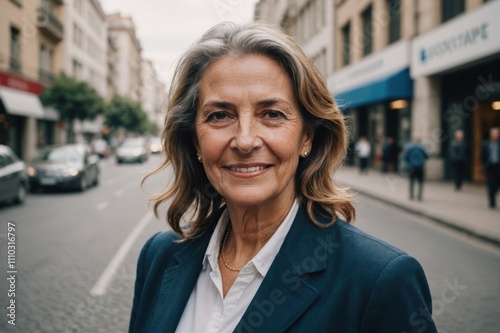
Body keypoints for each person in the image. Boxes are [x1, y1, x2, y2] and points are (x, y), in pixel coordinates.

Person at [129, 22, 437, 333]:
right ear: (195, 141)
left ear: (307, 138)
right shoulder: (160, 256)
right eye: (220, 115)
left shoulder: (379, 280)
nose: (245, 140)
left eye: (272, 114)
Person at [403, 136, 429, 201]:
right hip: (420, 166)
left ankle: (411, 194)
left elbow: (405, 156)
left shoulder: (409, 147)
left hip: (411, 166)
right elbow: (427, 156)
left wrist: (408, 162)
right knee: (420, 181)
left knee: (412, 181)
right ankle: (419, 195)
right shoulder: (422, 147)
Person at [481, 127, 500, 209]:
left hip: (498, 166)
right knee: (491, 184)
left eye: (497, 133)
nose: (495, 135)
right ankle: (492, 201)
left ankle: (493, 194)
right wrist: (484, 165)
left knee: (497, 184)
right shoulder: (486, 144)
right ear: (491, 134)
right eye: (494, 133)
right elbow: (483, 156)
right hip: (490, 167)